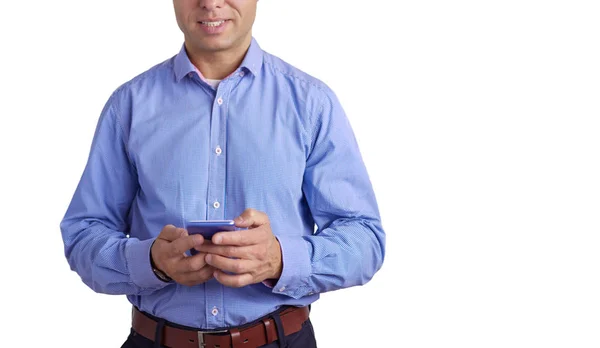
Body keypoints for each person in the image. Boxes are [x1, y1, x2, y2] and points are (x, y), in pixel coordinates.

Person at [60, 0, 386, 347]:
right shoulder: (128, 106)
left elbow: (365, 240)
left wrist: (280, 259)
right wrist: (151, 263)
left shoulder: (312, 104)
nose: (211, 2)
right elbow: (83, 234)